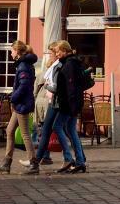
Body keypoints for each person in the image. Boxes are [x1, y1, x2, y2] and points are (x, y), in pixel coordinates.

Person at [0, 41, 39, 174]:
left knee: (25, 134)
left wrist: (13, 97)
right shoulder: (22, 65)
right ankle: (6, 163)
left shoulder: (23, 66)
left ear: (17, 52)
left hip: (22, 103)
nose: (10, 53)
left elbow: (24, 86)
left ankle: (33, 163)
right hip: (19, 103)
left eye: (12, 50)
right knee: (9, 130)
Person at [50, 41, 91, 174]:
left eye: (58, 51)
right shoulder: (72, 63)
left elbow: (71, 88)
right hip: (73, 103)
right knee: (71, 130)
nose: (56, 54)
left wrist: (70, 105)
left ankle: (69, 158)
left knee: (57, 126)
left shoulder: (69, 65)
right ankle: (80, 161)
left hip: (68, 103)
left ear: (65, 51)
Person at [30, 42, 61, 168]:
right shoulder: (49, 74)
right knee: (46, 131)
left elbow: (35, 90)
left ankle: (43, 156)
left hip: (42, 105)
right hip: (46, 104)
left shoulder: (43, 75)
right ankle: (45, 156)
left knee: (43, 131)